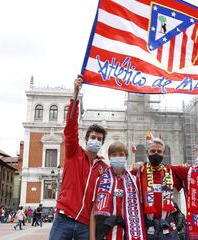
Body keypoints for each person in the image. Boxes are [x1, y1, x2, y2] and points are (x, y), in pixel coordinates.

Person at [49, 75, 108, 240]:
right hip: (64, 219)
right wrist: (75, 94)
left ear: (102, 143)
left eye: (99, 139)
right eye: (93, 137)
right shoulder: (74, 152)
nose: (95, 140)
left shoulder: (104, 168)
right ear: (87, 138)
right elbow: (70, 127)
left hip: (85, 224)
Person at [90, 141, 145, 240]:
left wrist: (143, 164)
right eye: (114, 155)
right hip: (106, 234)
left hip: (128, 233)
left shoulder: (134, 180)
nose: (117, 157)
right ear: (109, 157)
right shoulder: (101, 180)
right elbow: (93, 212)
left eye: (121, 154)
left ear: (126, 157)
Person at [132, 138, 178, 240]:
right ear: (147, 153)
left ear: (164, 153)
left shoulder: (171, 171)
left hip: (167, 229)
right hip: (147, 229)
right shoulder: (139, 171)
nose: (156, 154)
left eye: (159, 151)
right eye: (152, 151)